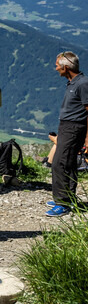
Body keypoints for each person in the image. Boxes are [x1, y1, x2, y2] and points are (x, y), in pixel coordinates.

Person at [47, 52, 88, 217]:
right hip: (67, 127)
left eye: (57, 65)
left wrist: (87, 139)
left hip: (74, 128)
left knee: (59, 163)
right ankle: (68, 197)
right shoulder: (73, 82)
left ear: (65, 67)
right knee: (69, 163)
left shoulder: (83, 84)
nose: (55, 68)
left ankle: (62, 202)